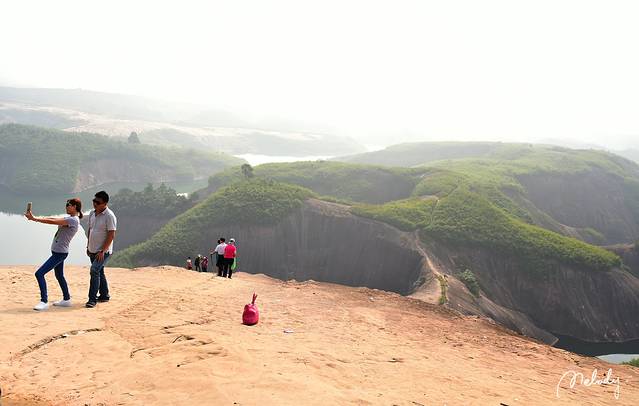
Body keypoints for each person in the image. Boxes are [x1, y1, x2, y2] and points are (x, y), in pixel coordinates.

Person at [25, 198, 83, 311]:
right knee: (59, 275)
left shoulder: (73, 220)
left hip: (59, 254)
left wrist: (35, 219)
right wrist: (35, 218)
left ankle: (44, 301)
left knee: (39, 274)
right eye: (66, 204)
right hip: (58, 252)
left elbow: (52, 222)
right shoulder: (69, 218)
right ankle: (66, 299)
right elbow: (53, 219)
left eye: (69, 205)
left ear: (75, 207)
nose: (66, 206)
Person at [85, 191, 117, 308]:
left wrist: (103, 251)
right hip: (92, 249)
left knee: (94, 271)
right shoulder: (92, 213)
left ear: (105, 203)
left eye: (97, 202)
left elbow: (111, 235)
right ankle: (104, 295)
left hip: (103, 251)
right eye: (94, 201)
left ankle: (92, 299)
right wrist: (88, 246)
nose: (95, 204)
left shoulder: (109, 216)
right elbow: (90, 229)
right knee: (99, 271)